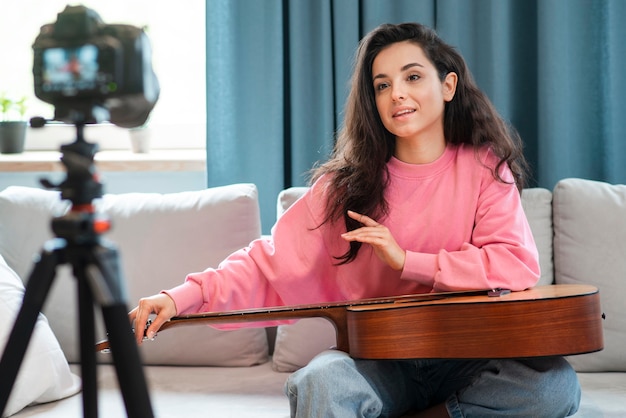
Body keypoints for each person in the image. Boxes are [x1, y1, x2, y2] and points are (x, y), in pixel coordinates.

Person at [130, 22, 580, 418]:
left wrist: (407, 260)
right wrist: (180, 297)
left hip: (467, 358)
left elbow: (515, 265)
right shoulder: (343, 185)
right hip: (379, 363)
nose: (397, 93)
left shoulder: (486, 167)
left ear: (448, 86)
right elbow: (267, 262)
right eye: (382, 85)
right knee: (319, 382)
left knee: (553, 385)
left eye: (413, 77)